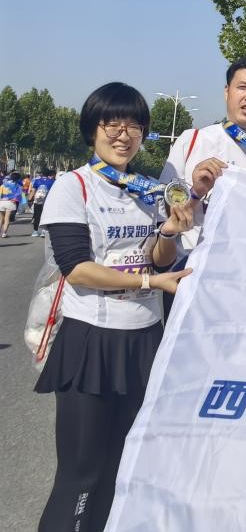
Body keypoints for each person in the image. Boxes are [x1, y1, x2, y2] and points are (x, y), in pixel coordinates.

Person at [35, 82, 196, 532]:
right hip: (91, 339)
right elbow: (77, 269)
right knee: (81, 474)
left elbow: (158, 259)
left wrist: (168, 233)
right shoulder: (73, 186)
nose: (123, 135)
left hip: (143, 339)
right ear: (93, 129)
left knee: (122, 468)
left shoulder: (150, 190)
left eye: (133, 126)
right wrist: (148, 281)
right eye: (112, 124)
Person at [160, 55, 246, 253]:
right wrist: (196, 192)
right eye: (242, 87)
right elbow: (163, 214)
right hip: (191, 262)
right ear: (227, 92)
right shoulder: (192, 141)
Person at [31, 169, 56, 237]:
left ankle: (35, 231)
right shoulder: (52, 181)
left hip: (37, 200)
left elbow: (33, 191)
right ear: (49, 174)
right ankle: (43, 231)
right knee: (45, 215)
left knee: (37, 216)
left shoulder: (37, 181)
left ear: (42, 174)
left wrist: (30, 199)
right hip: (47, 201)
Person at [0, 171, 20, 237]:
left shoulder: (4, 184)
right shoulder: (17, 185)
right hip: (11, 202)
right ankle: (4, 233)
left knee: (1, 219)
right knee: (7, 219)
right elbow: (18, 195)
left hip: (2, 201)